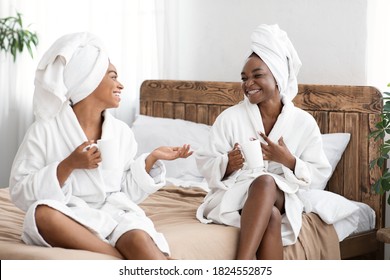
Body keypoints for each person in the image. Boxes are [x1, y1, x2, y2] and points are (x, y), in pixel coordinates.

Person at [9, 32, 192, 260]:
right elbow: (19, 190)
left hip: (114, 214)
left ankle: (121, 255)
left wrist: (151, 160)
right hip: (71, 216)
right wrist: (68, 165)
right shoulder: (44, 130)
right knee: (42, 214)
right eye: (113, 77)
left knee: (137, 238)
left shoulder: (121, 132)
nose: (121, 85)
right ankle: (117, 257)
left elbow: (125, 190)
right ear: (89, 80)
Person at [195, 24, 332, 260]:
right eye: (244, 78)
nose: (248, 83)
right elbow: (206, 161)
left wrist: (288, 161)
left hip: (281, 194)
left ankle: (241, 264)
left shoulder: (303, 123)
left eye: (257, 75)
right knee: (271, 217)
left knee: (266, 183)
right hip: (236, 195)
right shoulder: (230, 118)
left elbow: (318, 175)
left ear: (277, 76)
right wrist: (228, 163)